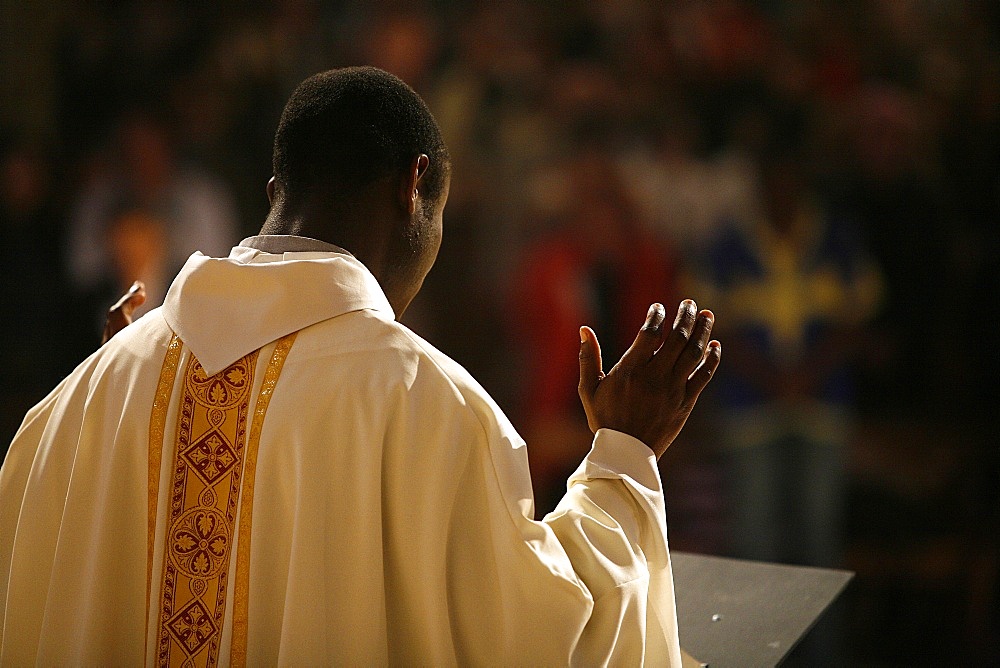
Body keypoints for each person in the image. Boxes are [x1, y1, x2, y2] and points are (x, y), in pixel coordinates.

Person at [0, 67, 720, 665]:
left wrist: (123, 406)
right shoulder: (427, 405)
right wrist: (625, 454)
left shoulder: (79, 401)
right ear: (414, 185)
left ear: (275, 188)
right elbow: (556, 640)